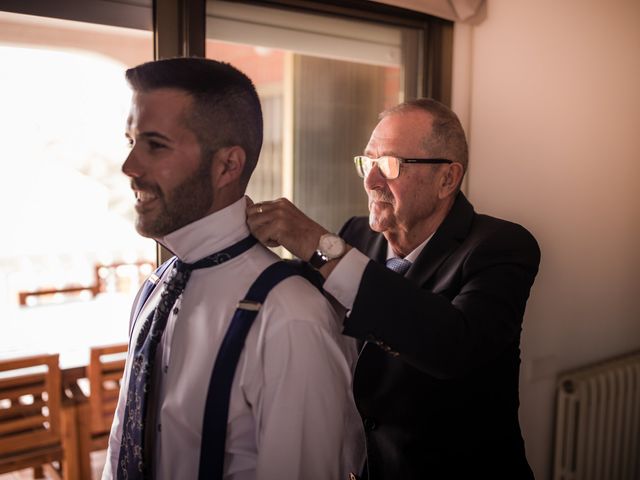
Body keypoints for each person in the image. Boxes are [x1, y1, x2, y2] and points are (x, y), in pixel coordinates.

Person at [247, 98, 541, 479]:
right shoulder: (356, 235)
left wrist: (315, 241)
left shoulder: (501, 246)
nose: (370, 181)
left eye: (389, 165)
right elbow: (312, 291)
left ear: (447, 179)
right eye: (367, 162)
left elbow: (452, 345)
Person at [103, 57, 362, 480]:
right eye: (130, 141)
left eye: (155, 145)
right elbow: (121, 446)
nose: (129, 167)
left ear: (227, 165)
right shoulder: (156, 289)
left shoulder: (290, 316)